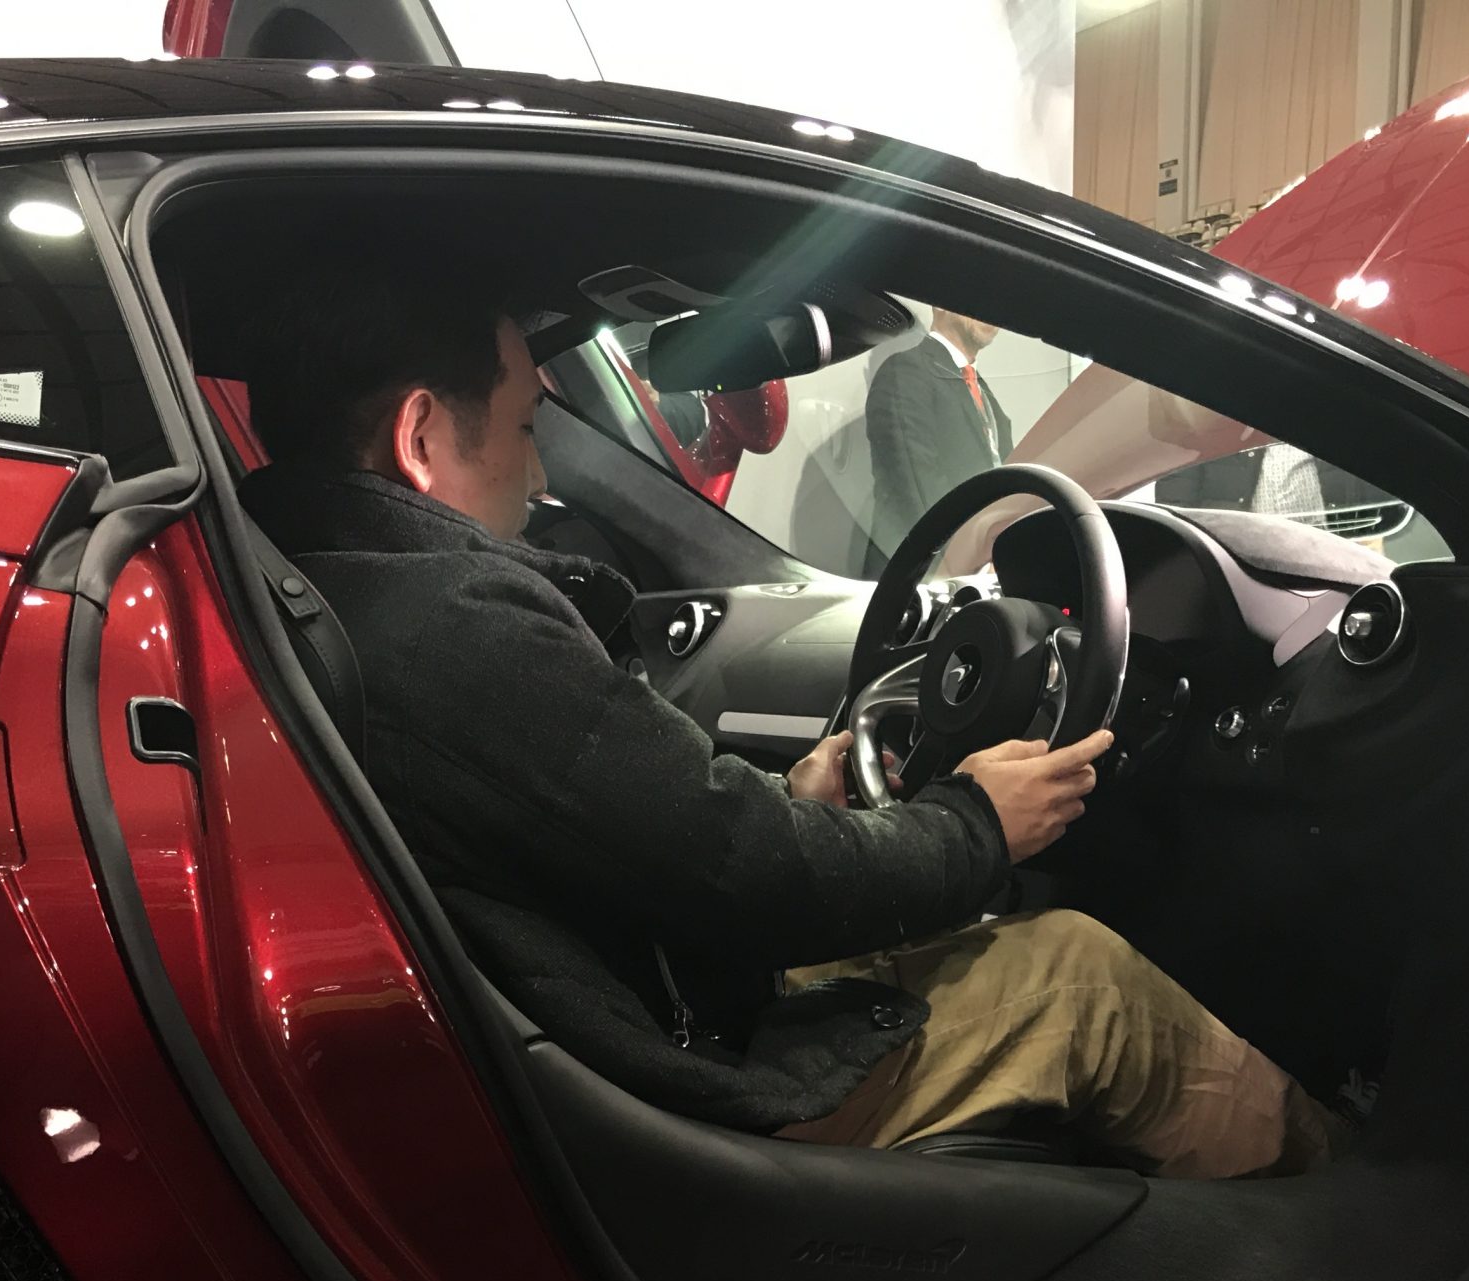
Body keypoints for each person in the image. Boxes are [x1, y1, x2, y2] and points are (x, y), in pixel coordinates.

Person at [238, 259, 1340, 1177]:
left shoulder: (318, 589)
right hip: (681, 1086)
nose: (536, 472)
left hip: (626, 1020)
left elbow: (663, 834)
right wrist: (979, 827)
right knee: (1081, 975)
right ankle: (1343, 1211)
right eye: (527, 425)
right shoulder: (456, 622)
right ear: (422, 437)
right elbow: (754, 874)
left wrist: (783, 798)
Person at [867, 306, 1012, 554]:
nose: (991, 306)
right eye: (978, 293)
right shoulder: (906, 370)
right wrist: (974, 551)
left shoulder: (982, 390)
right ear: (940, 303)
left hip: (974, 562)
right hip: (922, 565)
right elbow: (919, 486)